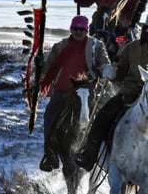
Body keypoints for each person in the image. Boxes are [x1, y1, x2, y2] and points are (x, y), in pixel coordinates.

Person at [75, 9, 148, 184]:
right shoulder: (131, 48)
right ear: (144, 29)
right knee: (104, 114)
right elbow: (120, 73)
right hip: (128, 93)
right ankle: (89, 153)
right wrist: (111, 73)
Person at [37, 15, 112, 172]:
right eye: (75, 29)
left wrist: (106, 69)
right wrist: (40, 66)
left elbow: (104, 61)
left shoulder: (96, 46)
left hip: (86, 90)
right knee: (50, 114)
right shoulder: (60, 46)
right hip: (63, 90)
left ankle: (107, 150)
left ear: (87, 30)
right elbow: (49, 65)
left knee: (105, 115)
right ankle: (50, 153)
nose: (78, 32)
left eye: (81, 29)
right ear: (70, 29)